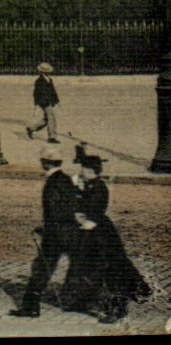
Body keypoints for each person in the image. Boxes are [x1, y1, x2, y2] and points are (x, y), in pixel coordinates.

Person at [61, 148, 151, 323]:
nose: (81, 172)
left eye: (84, 169)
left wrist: (81, 216)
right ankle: (83, 300)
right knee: (87, 268)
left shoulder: (99, 188)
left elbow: (95, 212)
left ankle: (118, 308)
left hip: (101, 236)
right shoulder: (88, 186)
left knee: (110, 270)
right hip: (93, 234)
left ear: (90, 171)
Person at [10, 146, 82, 318]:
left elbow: (54, 211)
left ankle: (31, 307)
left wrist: (45, 230)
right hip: (72, 232)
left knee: (41, 270)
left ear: (45, 163)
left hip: (54, 235)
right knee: (79, 267)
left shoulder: (51, 184)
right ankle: (76, 301)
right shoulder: (66, 179)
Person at [26, 63, 59, 142]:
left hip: (49, 102)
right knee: (51, 118)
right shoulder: (39, 81)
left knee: (46, 120)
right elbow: (36, 93)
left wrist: (56, 100)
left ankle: (31, 128)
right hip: (44, 102)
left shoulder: (49, 80)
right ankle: (52, 137)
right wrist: (38, 103)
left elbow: (53, 91)